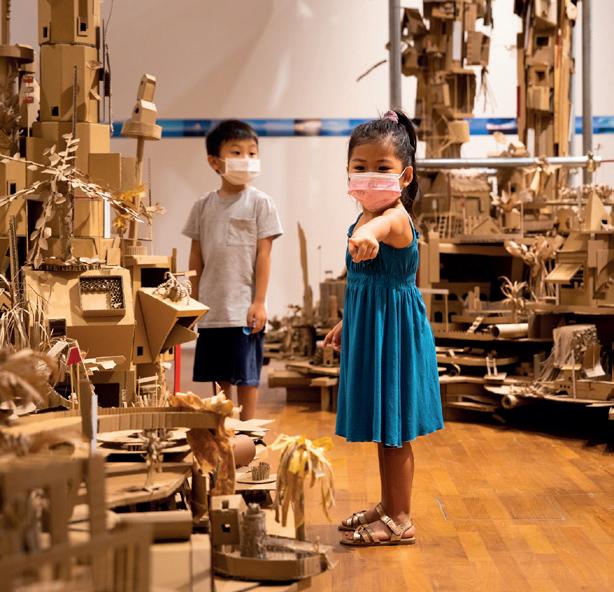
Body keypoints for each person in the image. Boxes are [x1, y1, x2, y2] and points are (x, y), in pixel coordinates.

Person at [324, 109, 444, 546]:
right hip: (375, 328)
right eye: (360, 167)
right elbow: (368, 281)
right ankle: (388, 504)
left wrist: (369, 236)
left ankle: (401, 518)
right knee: (384, 426)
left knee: (395, 430)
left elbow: (381, 228)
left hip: (394, 336)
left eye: (382, 168)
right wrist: (348, 320)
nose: (369, 176)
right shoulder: (361, 219)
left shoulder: (392, 218)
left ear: (405, 176)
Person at [183, 120, 283, 420]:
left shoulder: (260, 203)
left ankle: (250, 436)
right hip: (211, 310)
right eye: (237, 152)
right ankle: (223, 434)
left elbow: (264, 254)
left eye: (252, 153)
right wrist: (192, 303)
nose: (246, 159)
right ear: (215, 161)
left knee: (247, 376)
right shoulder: (202, 206)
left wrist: (259, 301)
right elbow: (196, 256)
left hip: (244, 310)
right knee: (219, 378)